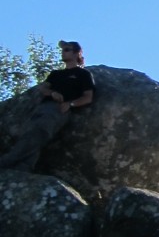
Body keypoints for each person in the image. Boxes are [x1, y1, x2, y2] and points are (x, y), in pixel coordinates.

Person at [0, 40, 95, 172]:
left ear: (76, 53)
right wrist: (52, 93)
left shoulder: (83, 74)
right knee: (33, 133)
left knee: (40, 132)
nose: (63, 52)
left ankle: (7, 161)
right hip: (43, 107)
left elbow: (88, 97)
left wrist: (70, 104)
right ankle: (23, 168)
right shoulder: (56, 74)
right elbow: (43, 88)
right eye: (63, 50)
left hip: (58, 110)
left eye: (67, 49)